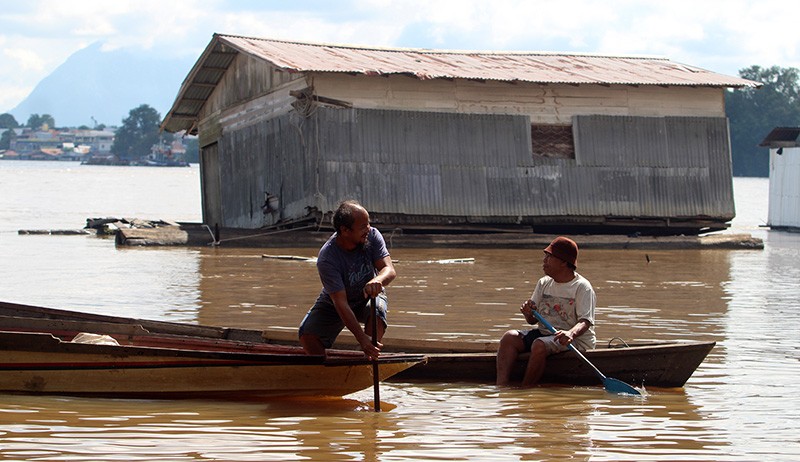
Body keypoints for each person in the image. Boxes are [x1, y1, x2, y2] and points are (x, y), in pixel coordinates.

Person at [299, 200, 396, 360]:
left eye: (368, 224)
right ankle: (325, 374)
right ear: (345, 230)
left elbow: (389, 270)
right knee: (307, 334)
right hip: (337, 301)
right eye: (362, 227)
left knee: (376, 312)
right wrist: (361, 339)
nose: (368, 229)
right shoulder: (327, 258)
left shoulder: (372, 235)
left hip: (369, 295)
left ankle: (369, 360)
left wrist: (377, 280)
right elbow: (340, 303)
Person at [496, 236, 596, 387]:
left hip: (575, 340)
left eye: (549, 257)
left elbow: (585, 321)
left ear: (564, 262)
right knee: (509, 337)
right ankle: (501, 387)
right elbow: (532, 321)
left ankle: (525, 390)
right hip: (546, 334)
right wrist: (528, 312)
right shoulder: (544, 283)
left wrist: (570, 333)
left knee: (539, 345)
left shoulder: (582, 287)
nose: (544, 261)